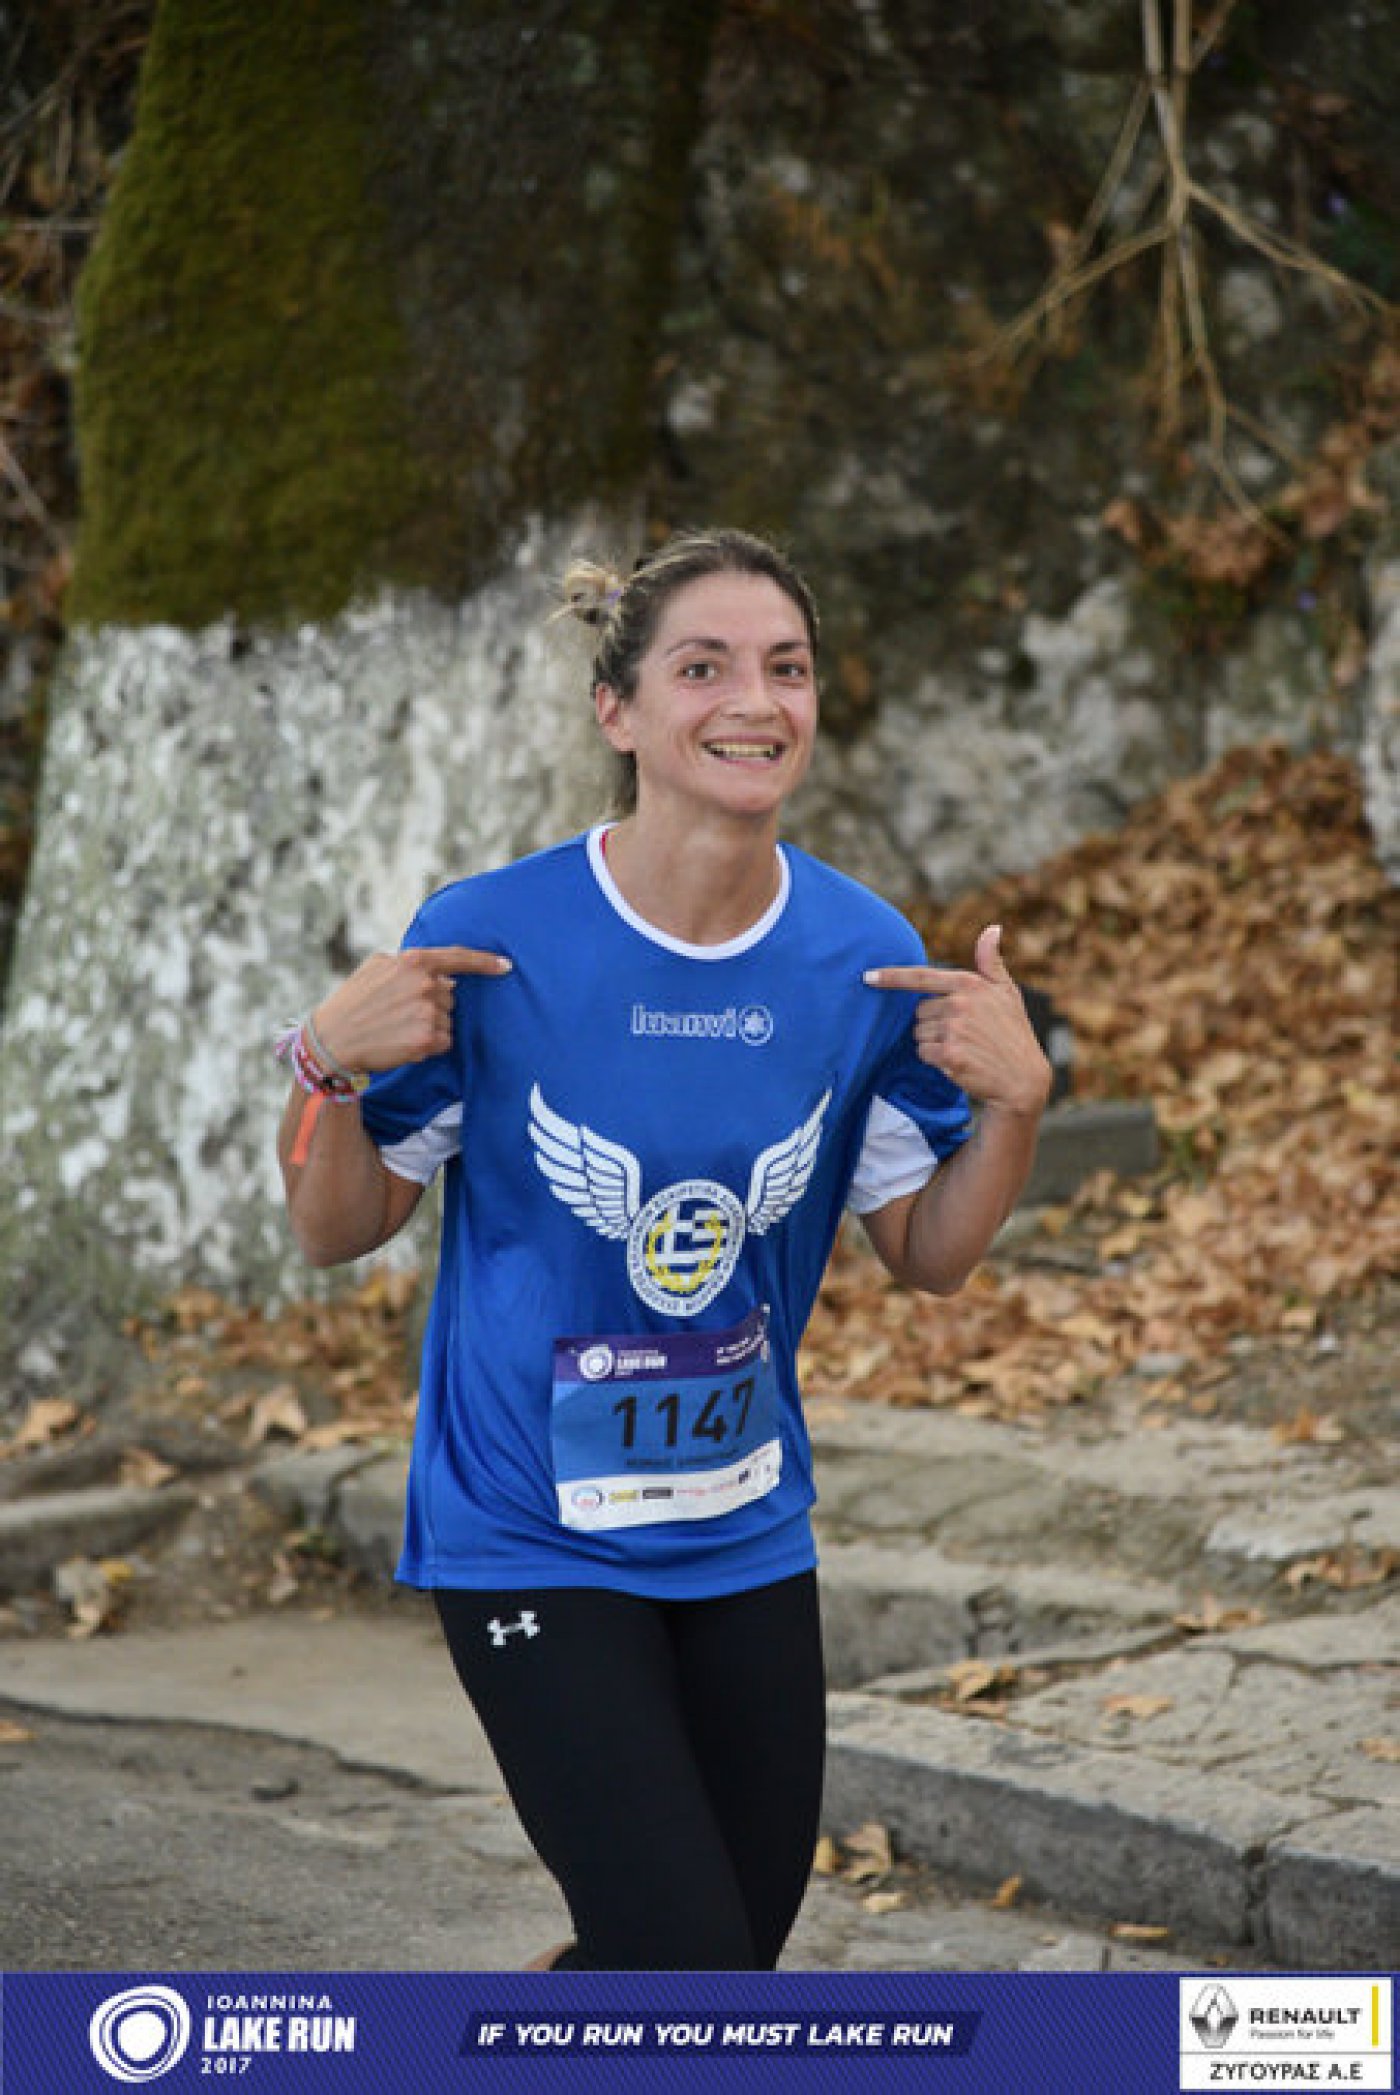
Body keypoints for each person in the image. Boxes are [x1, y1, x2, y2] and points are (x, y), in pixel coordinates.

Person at [277, 527, 1050, 1971]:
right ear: (617, 712)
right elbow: (336, 1228)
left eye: (787, 668)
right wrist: (322, 1061)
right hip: (527, 1523)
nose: (754, 701)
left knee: (719, 1970)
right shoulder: (493, 937)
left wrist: (1016, 1107)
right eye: (704, 668)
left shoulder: (861, 955)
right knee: (683, 1954)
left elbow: (930, 1253)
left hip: (742, 1522)